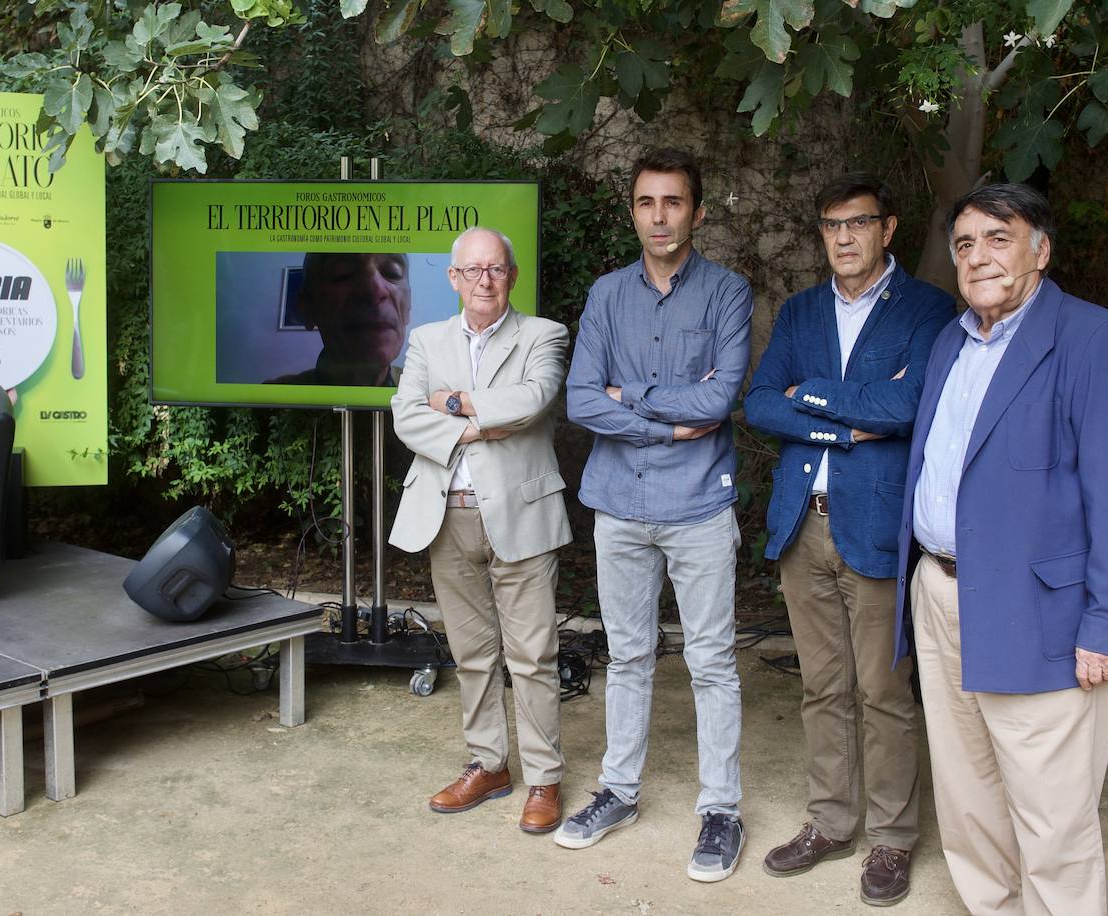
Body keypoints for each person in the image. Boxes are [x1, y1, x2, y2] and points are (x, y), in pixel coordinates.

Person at [896, 184, 1108, 914]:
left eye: (998, 238)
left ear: (1041, 250)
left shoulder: (1099, 343)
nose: (978, 256)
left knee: (1052, 813)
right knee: (967, 795)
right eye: (964, 244)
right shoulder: (952, 339)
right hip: (941, 594)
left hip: (1043, 610)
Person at [745, 172, 954, 906]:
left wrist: (816, 393)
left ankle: (892, 838)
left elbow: (908, 402)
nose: (842, 238)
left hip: (875, 525)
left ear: (887, 229)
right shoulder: (801, 312)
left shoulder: (929, 309)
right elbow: (763, 401)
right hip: (804, 524)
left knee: (885, 690)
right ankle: (831, 822)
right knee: (821, 687)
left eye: (857, 223)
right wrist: (839, 422)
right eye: (831, 225)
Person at [556, 148, 752, 883]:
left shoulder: (728, 292)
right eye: (647, 202)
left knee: (710, 661)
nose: (660, 216)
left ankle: (722, 809)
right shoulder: (606, 295)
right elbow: (579, 401)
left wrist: (625, 399)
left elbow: (719, 398)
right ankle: (619, 792)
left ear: (696, 213)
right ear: (633, 210)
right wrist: (665, 418)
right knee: (628, 655)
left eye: (674, 202)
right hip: (621, 505)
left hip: (699, 504)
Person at [389, 226, 572, 834]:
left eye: (494, 269)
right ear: (452, 279)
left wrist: (453, 402)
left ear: (511, 276)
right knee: (471, 655)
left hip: (520, 515)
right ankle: (489, 764)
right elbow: (405, 416)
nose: (483, 281)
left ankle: (544, 779)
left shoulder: (543, 335)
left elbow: (534, 397)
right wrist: (480, 421)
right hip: (446, 516)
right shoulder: (425, 339)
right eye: (471, 271)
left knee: (533, 656)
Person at [268, 252, 412, 386]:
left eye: (393, 272)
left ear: (408, 309)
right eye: (343, 274)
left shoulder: (427, 396)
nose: (375, 289)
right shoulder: (267, 404)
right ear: (307, 309)